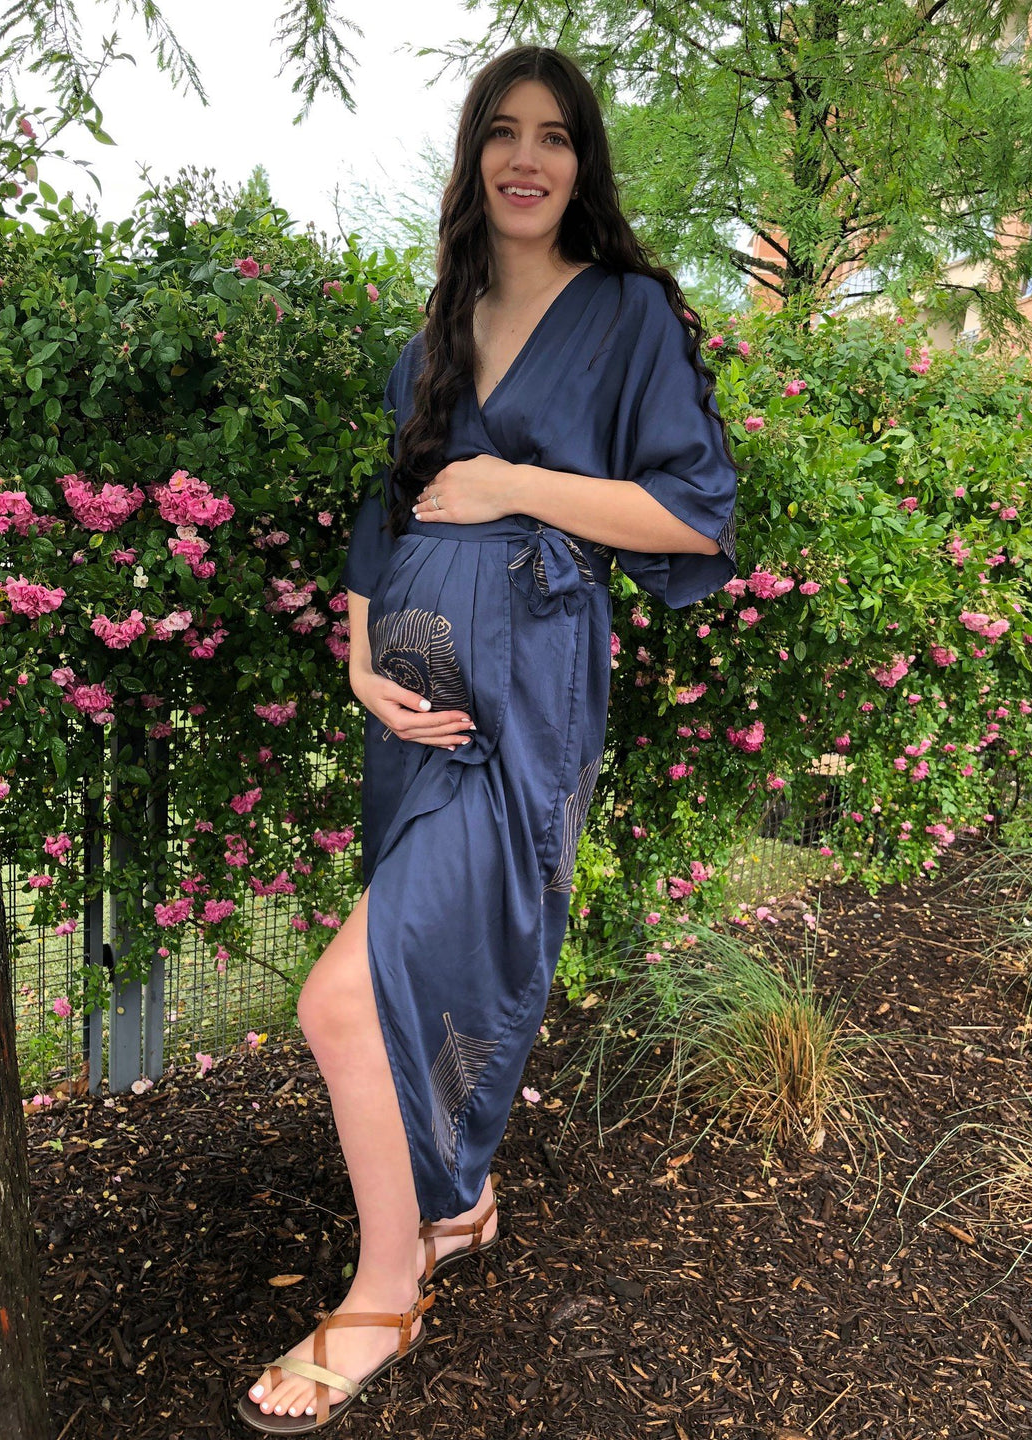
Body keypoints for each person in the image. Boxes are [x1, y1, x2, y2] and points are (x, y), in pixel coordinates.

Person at [237, 43, 739, 1435]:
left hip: (523, 695)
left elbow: (695, 519)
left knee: (345, 997)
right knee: (416, 961)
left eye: (556, 135)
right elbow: (381, 516)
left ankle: (386, 1287)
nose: (529, 156)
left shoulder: (627, 314)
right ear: (473, 159)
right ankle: (456, 1204)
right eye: (502, 133)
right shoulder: (436, 332)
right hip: (414, 695)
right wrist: (356, 663)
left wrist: (520, 479)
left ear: (583, 165)